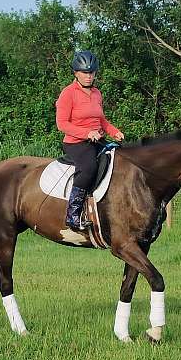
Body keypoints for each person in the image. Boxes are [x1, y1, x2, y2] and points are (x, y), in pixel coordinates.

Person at [55, 50, 124, 231]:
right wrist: (87, 133)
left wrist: (114, 131)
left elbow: (101, 120)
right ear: (76, 73)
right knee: (88, 167)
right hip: (75, 142)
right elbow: (62, 124)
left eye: (92, 72)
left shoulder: (96, 93)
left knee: (122, 159)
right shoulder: (67, 93)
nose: (89, 76)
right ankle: (73, 215)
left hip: (97, 140)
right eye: (85, 72)